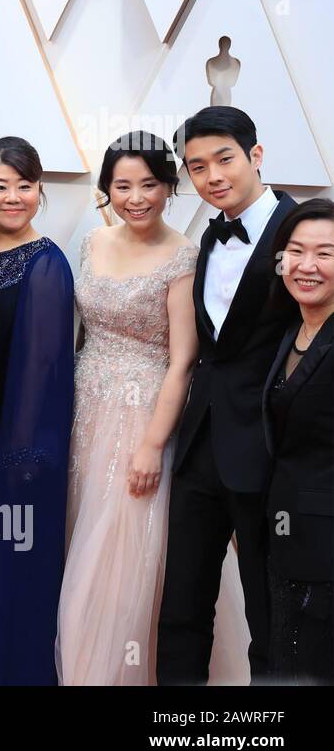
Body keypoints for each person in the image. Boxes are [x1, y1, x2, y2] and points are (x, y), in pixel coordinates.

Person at [57, 132, 249, 685]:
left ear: (169, 187)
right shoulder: (91, 242)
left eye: (149, 184)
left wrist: (150, 446)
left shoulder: (184, 256)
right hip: (83, 409)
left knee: (123, 554)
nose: (136, 197)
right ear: (106, 190)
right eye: (122, 185)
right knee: (82, 535)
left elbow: (183, 361)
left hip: (143, 417)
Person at [157, 106, 298, 684]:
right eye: (197, 167)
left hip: (268, 450)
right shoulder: (207, 237)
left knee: (271, 611)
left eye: (224, 159)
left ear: (255, 156)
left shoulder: (302, 232)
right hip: (198, 449)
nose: (212, 176)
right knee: (182, 604)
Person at [0, 137, 72, 686]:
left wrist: (17, 455)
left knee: (8, 561)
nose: (12, 197)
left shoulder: (46, 264)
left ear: (39, 192)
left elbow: (44, 374)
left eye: (24, 186)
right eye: (0, 186)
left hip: (13, 446)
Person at [262, 198, 334, 685]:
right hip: (288, 541)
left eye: (326, 254)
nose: (307, 266)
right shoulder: (291, 331)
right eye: (296, 250)